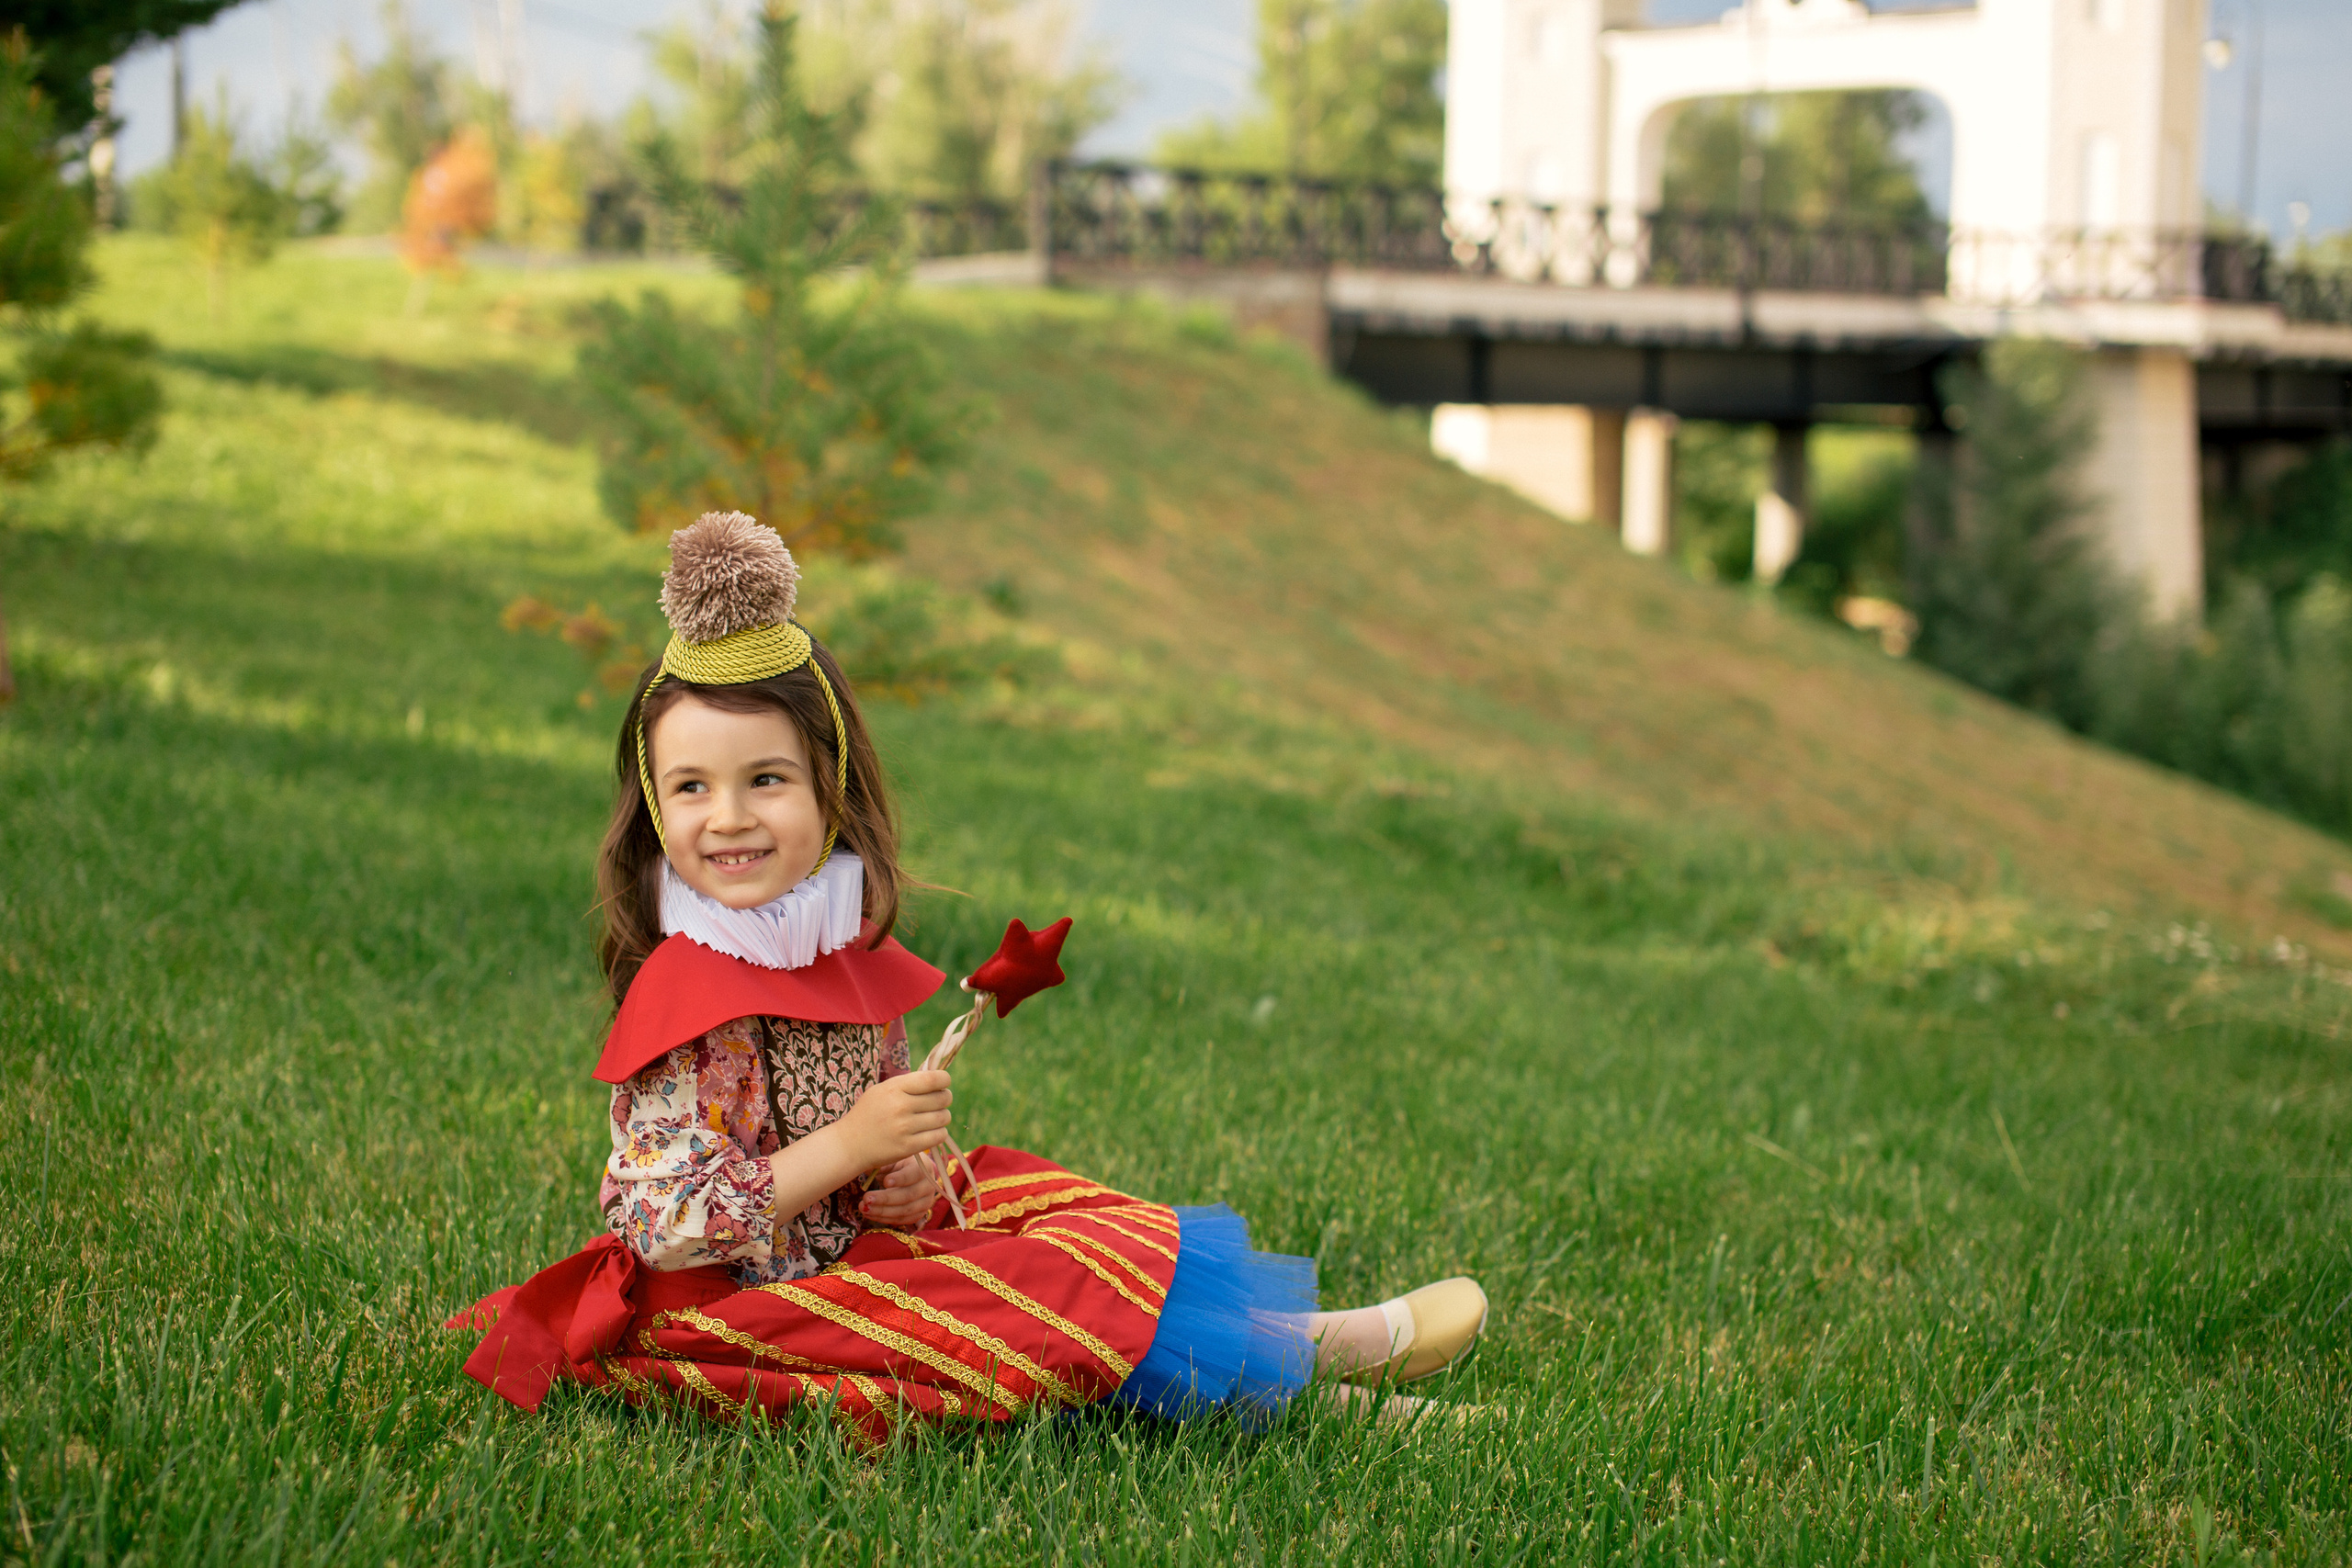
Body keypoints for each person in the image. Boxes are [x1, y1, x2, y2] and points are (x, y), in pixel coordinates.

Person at [451, 512, 1490, 1448]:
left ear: (831, 785)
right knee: (1007, 1293)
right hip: (734, 1311)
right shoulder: (691, 1004)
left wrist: (904, 1175)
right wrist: (849, 1147)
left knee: (1035, 1202)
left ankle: (1283, 1345)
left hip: (847, 1255)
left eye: (764, 779)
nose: (728, 816)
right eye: (691, 787)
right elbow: (663, 1227)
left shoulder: (830, 949)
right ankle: (1312, 1372)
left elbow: (875, 1166)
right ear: (654, 805)